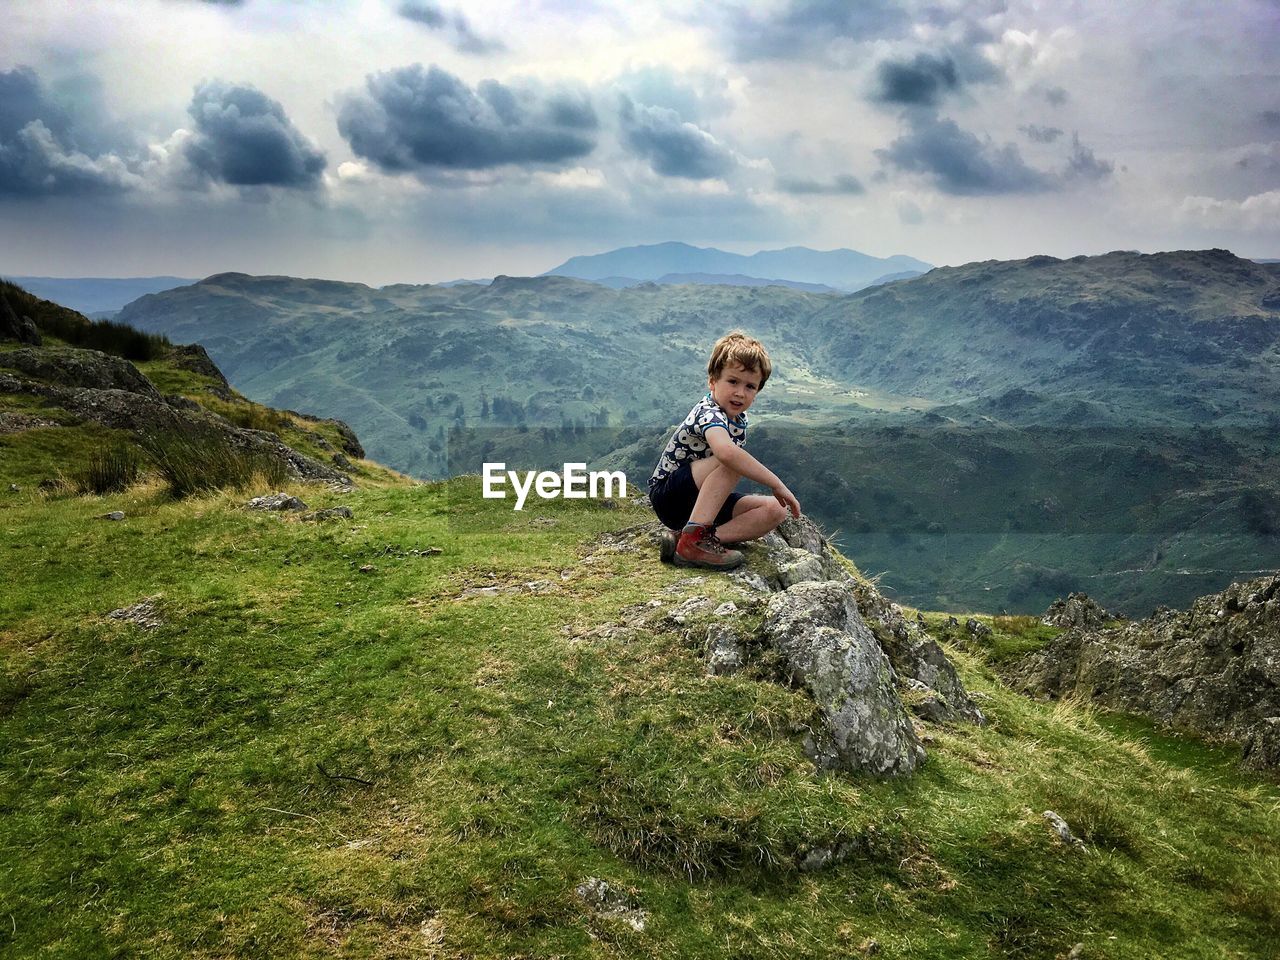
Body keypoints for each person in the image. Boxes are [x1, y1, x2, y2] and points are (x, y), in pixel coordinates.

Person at [647, 331, 801, 570]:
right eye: (733, 381)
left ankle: (692, 541)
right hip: (670, 496)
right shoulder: (709, 412)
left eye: (750, 386)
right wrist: (776, 483)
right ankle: (694, 540)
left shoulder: (738, 419)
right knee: (731, 460)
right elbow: (726, 454)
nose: (740, 392)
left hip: (699, 505)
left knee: (776, 510)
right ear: (713, 381)